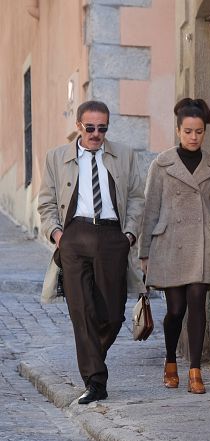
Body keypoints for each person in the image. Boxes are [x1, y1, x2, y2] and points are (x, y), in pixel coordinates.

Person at [38, 100, 144, 404]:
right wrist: (57, 234)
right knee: (81, 311)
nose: (96, 134)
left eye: (102, 128)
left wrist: (129, 234)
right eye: (90, 127)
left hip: (113, 236)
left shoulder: (124, 155)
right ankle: (96, 381)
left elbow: (137, 197)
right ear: (78, 126)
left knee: (112, 314)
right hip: (75, 236)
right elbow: (46, 203)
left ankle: (92, 358)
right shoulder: (57, 157)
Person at [138, 98, 210, 394]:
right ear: (179, 130)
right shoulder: (162, 165)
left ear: (205, 132)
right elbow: (150, 208)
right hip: (169, 244)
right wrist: (144, 252)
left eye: (199, 132)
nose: (194, 137)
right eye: (189, 131)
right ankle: (169, 360)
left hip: (203, 245)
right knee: (176, 309)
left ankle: (195, 370)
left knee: (197, 301)